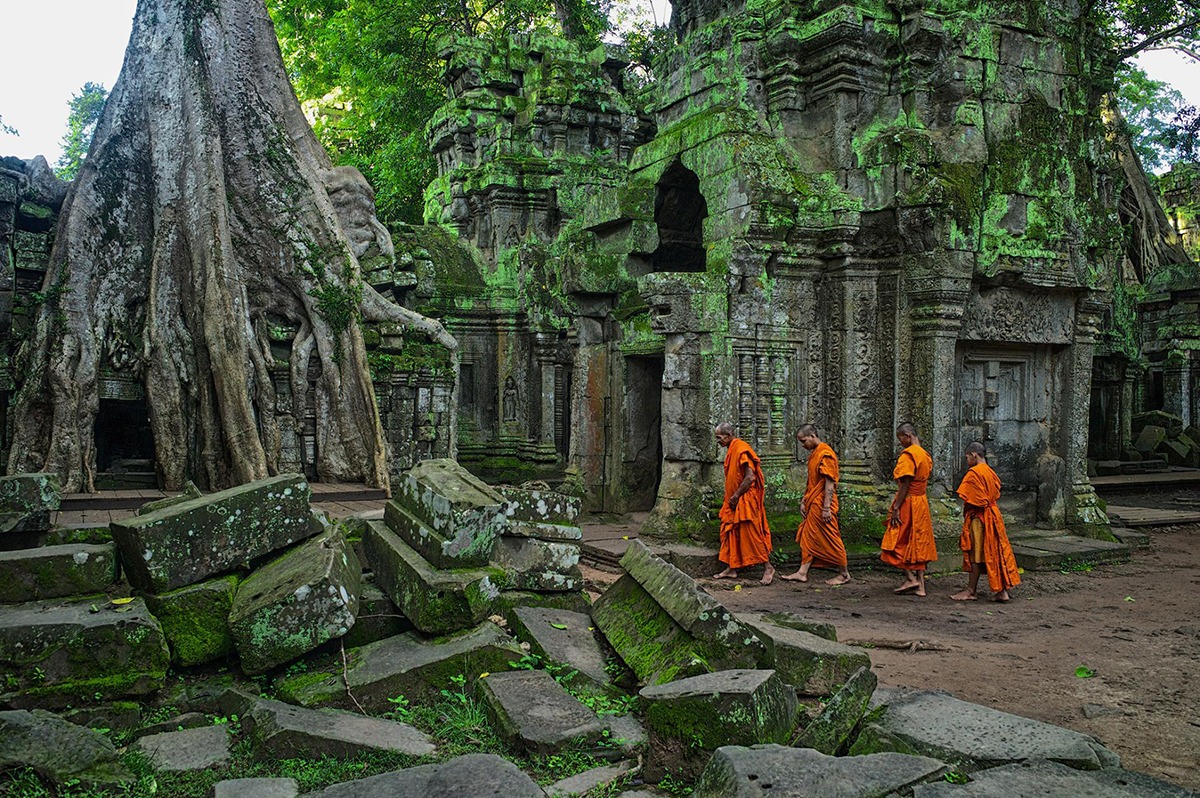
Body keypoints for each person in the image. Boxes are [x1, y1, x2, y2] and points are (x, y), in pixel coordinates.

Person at [781, 424, 851, 585]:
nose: (803, 445)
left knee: (831, 536)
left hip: (823, 504)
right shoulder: (815, 454)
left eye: (804, 441)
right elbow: (812, 481)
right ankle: (802, 572)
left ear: (813, 436)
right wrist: (804, 500)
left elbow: (829, 482)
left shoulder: (826, 454)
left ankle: (844, 573)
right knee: (808, 536)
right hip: (813, 501)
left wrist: (826, 507)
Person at [951, 441, 1020, 602]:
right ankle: (1002, 591)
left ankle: (970, 590)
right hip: (993, 515)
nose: (967, 461)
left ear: (974, 455)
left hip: (980, 518)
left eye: (967, 457)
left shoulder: (974, 473)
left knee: (976, 553)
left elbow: (975, 501)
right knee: (995, 551)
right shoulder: (990, 472)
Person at [713, 422, 775, 585]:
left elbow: (750, 477)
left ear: (729, 435)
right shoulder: (732, 449)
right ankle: (732, 568)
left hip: (745, 499)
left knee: (751, 534)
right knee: (730, 532)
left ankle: (768, 567)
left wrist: (736, 496)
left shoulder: (741, 449)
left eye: (719, 438)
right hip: (734, 499)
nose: (717, 441)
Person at [880, 422, 937, 596]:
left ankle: (910, 578)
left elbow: (905, 483)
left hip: (909, 502)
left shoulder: (909, 455)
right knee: (918, 541)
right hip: (921, 502)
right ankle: (920, 585)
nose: (901, 443)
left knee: (895, 540)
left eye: (901, 439)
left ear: (908, 435)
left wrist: (896, 507)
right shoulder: (925, 455)